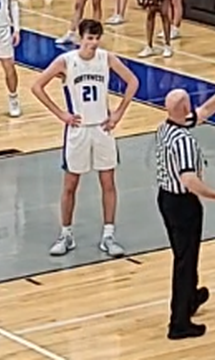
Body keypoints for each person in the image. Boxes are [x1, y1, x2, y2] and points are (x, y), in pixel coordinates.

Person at [30, 19, 140, 258]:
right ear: (80, 38)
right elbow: (37, 86)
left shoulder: (106, 58)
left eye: (96, 38)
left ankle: (108, 235)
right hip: (78, 130)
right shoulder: (66, 61)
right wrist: (61, 114)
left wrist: (119, 112)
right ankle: (66, 234)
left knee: (108, 183)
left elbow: (133, 82)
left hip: (102, 128)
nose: (93, 43)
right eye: (89, 38)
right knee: (70, 185)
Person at [156, 69, 215, 339]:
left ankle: (190, 297)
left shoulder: (167, 125)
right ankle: (178, 322)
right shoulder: (182, 140)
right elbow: (189, 180)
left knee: (185, 255)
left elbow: (204, 111)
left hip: (166, 198)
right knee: (185, 259)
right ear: (184, 108)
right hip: (181, 203)